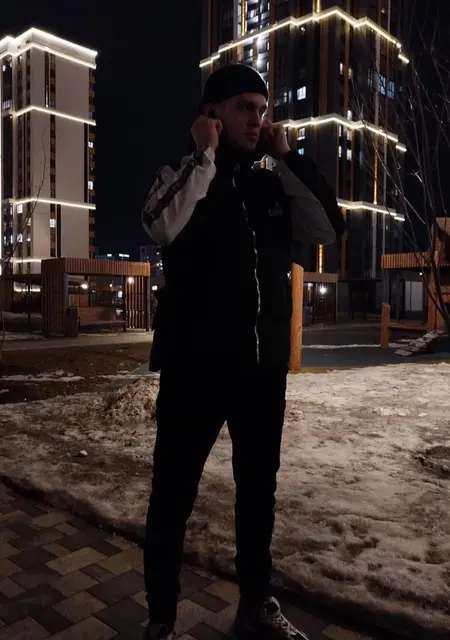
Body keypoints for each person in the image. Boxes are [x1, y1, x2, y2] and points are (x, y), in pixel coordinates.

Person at [141, 64, 345, 640]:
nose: (257, 119)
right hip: (194, 371)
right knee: (172, 495)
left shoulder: (270, 183)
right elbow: (159, 225)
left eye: (262, 109)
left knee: (258, 495)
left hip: (260, 372)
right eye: (244, 108)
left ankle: (255, 606)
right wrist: (203, 156)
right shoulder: (184, 175)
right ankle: (161, 619)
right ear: (212, 114)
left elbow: (328, 229)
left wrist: (289, 157)